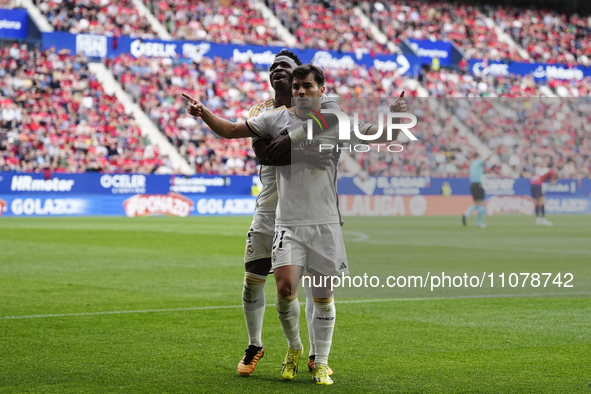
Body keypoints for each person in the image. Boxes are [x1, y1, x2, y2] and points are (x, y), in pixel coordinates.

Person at [184, 64, 407, 385]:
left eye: (308, 87)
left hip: (325, 220)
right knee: (285, 288)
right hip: (286, 221)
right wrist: (203, 112)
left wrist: (397, 115)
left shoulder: (338, 120)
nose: (301, 91)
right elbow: (232, 130)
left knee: (322, 295)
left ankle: (321, 362)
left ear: (321, 90)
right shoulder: (276, 119)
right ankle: (295, 347)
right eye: (297, 87)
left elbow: (384, 135)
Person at [184, 50, 339, 378]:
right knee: (254, 280)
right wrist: (309, 152)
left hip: (306, 208)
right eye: (273, 67)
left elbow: (330, 140)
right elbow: (266, 155)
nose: (279, 72)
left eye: (286, 67)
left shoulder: (323, 107)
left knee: (314, 285)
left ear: (301, 79)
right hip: (269, 209)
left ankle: (314, 354)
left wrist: (299, 147)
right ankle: (256, 344)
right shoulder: (262, 112)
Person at [462, 152, 493, 228]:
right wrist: (496, 149)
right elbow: (487, 158)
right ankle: (479, 222)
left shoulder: (472, 164)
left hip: (472, 185)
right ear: (478, 156)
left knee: (477, 204)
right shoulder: (478, 162)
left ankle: (466, 214)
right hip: (478, 185)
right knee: (481, 204)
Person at [530, 160, 557, 226]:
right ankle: (543, 219)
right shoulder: (552, 171)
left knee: (537, 201)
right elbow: (552, 182)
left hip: (532, 183)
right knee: (542, 201)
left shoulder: (543, 170)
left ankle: (538, 219)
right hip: (537, 184)